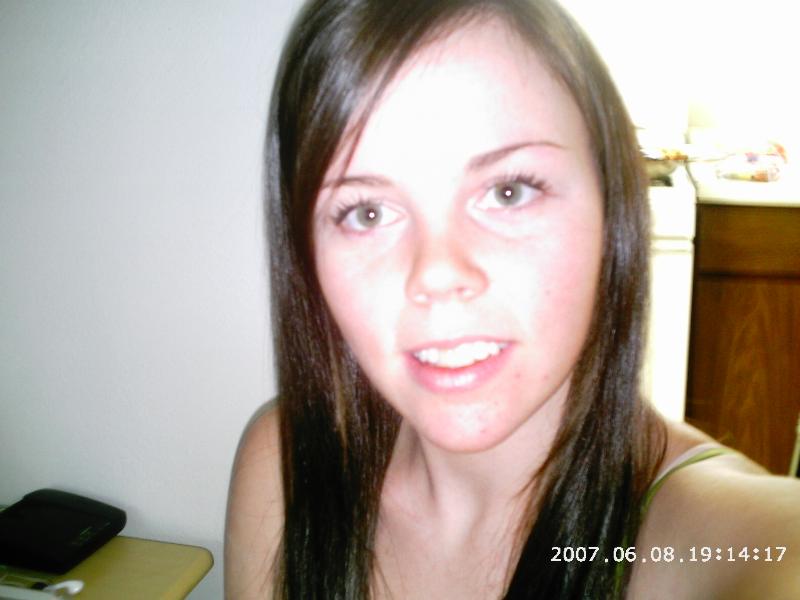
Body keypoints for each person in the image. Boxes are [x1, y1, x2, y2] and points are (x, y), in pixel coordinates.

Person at [225, 0, 800, 598]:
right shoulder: (285, 467)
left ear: (611, 207)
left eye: (508, 191)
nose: (437, 274)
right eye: (366, 212)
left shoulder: (737, 547)